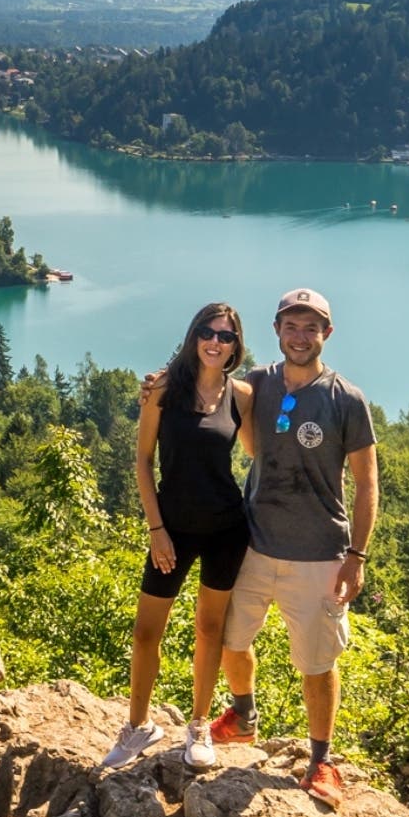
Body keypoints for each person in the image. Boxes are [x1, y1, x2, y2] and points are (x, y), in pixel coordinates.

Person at [205, 287, 378, 809]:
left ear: (327, 333)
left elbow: (367, 483)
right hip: (255, 543)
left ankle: (322, 760)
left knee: (317, 663)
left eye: (311, 327)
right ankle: (243, 715)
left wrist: (357, 556)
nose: (300, 336)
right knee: (232, 639)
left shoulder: (345, 398)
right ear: (277, 331)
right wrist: (160, 383)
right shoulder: (259, 383)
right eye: (291, 326)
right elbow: (209, 382)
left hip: (320, 553)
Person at [102, 302, 255, 772]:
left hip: (227, 530)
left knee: (210, 631)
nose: (216, 342)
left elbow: (259, 457)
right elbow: (143, 462)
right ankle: (138, 726)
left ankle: (199, 726)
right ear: (194, 337)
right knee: (147, 632)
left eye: (226, 336)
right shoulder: (164, 390)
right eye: (208, 332)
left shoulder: (242, 396)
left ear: (235, 346)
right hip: (171, 531)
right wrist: (156, 530)